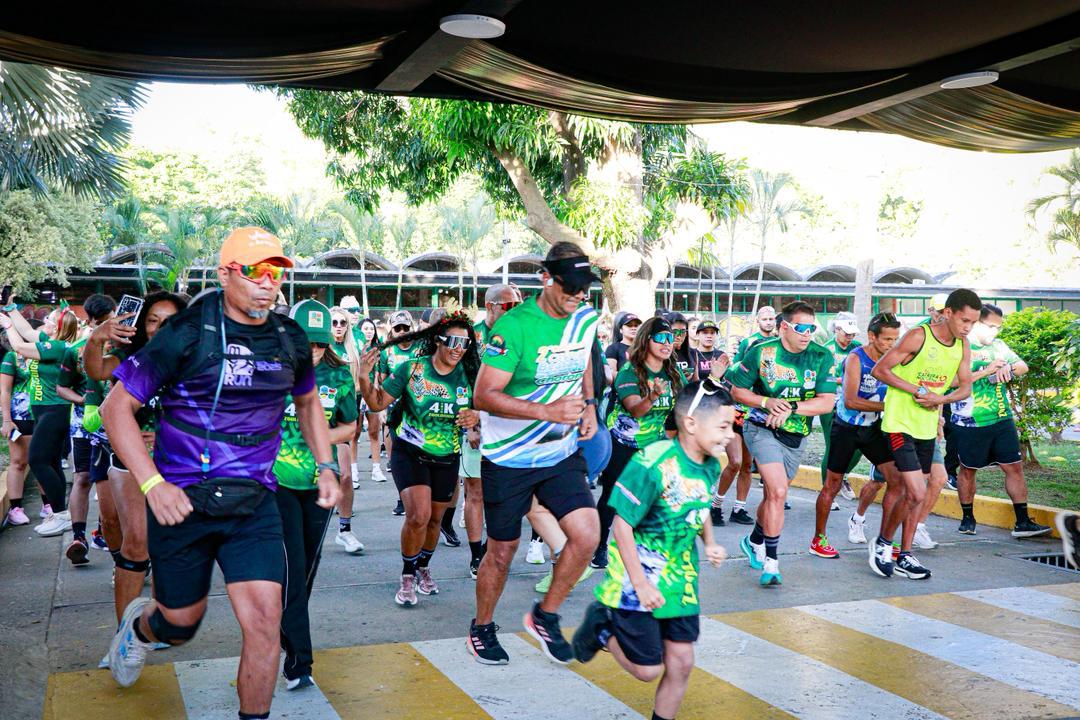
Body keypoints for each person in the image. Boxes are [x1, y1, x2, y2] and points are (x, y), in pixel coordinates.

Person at [101, 227, 340, 720]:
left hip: (253, 506)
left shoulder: (288, 336)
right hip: (182, 503)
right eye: (254, 271)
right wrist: (153, 483)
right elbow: (115, 408)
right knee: (182, 622)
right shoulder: (187, 333)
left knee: (265, 622)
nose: (267, 283)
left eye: (276, 273)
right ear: (225, 274)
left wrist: (325, 465)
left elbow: (308, 401)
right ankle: (140, 629)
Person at [468, 241, 600, 666]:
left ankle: (545, 615)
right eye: (573, 287)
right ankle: (482, 626)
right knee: (502, 552)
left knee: (586, 536)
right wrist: (546, 410)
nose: (580, 296)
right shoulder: (514, 327)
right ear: (548, 279)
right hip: (508, 458)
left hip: (559, 454)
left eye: (586, 289)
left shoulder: (585, 318)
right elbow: (484, 394)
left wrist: (590, 405)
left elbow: (583, 362)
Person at [573, 380, 734, 720]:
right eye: (723, 426)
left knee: (682, 663)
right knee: (647, 670)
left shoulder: (710, 464)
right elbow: (621, 526)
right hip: (639, 577)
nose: (730, 435)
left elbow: (699, 504)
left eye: (731, 426)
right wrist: (641, 584)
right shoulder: (652, 462)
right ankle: (601, 624)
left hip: (681, 578)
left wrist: (710, 542)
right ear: (691, 424)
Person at [84, 291, 188, 660]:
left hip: (177, 461)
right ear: (143, 325)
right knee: (137, 543)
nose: (161, 328)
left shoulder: (194, 361)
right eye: (153, 320)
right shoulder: (133, 357)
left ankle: (155, 624)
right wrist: (96, 338)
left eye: (169, 321)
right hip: (130, 459)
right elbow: (96, 369)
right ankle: (123, 638)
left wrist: (165, 433)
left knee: (167, 544)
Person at [359, 311, 480, 606]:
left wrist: (477, 417)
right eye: (452, 341)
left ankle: (423, 567)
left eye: (464, 343)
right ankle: (407, 576)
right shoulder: (413, 369)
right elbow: (376, 404)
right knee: (418, 515)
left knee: (436, 519)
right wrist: (363, 376)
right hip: (410, 453)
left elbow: (487, 411)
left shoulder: (471, 374)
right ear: (437, 340)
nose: (458, 348)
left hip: (447, 456)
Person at [274, 300, 357, 690]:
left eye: (321, 344)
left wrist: (320, 437)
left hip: (321, 484)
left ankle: (284, 629)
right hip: (275, 483)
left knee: (305, 569)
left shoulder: (339, 378)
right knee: (291, 566)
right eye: (308, 343)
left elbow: (351, 426)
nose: (315, 352)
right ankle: (299, 660)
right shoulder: (271, 370)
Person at [869, 288, 980, 580]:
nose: (967, 327)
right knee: (915, 490)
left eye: (973, 323)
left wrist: (939, 400)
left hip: (927, 427)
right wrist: (918, 390)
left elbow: (965, 387)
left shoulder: (963, 346)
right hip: (898, 424)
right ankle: (882, 544)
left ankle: (905, 555)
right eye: (964, 320)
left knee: (915, 494)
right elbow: (881, 370)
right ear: (948, 314)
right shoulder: (919, 336)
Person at [726, 301, 836, 587]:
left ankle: (754, 540)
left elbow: (826, 402)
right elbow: (737, 390)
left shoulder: (821, 355)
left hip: (795, 434)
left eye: (812, 328)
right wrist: (767, 402)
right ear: (784, 327)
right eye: (802, 328)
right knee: (777, 490)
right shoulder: (762, 352)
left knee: (773, 496)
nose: (808, 333)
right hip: (760, 427)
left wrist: (791, 407)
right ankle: (772, 562)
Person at [593, 316, 687, 569]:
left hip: (653, 447)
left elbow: (689, 402)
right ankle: (599, 547)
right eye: (662, 338)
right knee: (614, 497)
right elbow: (635, 410)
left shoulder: (673, 371)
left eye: (673, 338)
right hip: (622, 443)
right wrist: (654, 395)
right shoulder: (629, 371)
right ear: (647, 340)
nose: (669, 343)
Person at [949, 304, 1050, 538]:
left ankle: (1023, 521)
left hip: (1002, 418)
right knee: (968, 470)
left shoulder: (999, 346)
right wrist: (985, 371)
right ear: (976, 322)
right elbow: (953, 382)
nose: (995, 332)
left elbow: (1023, 366)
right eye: (991, 326)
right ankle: (967, 518)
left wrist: (1008, 370)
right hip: (970, 422)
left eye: (998, 327)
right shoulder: (961, 347)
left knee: (1014, 467)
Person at [813, 312, 901, 556]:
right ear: (872, 337)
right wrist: (888, 407)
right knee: (832, 485)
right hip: (846, 429)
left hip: (873, 429)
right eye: (887, 340)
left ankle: (885, 540)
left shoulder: (894, 359)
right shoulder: (855, 358)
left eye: (895, 339)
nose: (892, 345)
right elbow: (851, 401)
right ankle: (818, 539)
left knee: (897, 480)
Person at [0, 302, 79, 537]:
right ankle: (60, 514)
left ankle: (61, 514)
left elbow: (18, 345)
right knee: (52, 462)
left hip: (54, 410)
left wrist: (6, 324)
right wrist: (11, 308)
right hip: (46, 410)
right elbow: (26, 333)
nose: (46, 322)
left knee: (38, 460)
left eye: (50, 320)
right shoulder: (52, 342)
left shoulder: (57, 347)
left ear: (57, 327)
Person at [462, 284, 520, 578]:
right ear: (490, 306)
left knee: (507, 492)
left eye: (519, 303)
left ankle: (494, 545)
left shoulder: (521, 332)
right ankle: (476, 555)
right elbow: (463, 381)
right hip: (477, 423)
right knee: (475, 490)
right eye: (509, 306)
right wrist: (472, 424)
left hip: (511, 425)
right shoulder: (471, 337)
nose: (516, 309)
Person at [56, 294, 117, 565]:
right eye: (99, 322)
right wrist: (83, 401)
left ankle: (107, 533)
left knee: (116, 485)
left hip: (121, 426)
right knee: (82, 478)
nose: (104, 326)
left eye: (108, 319)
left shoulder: (125, 346)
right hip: (84, 425)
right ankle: (78, 538)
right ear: (89, 321)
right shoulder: (76, 350)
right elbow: (62, 386)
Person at [327, 306, 364, 554]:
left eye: (343, 322)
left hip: (340, 418)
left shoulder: (352, 350)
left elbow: (358, 387)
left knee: (346, 475)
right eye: (334, 322)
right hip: (308, 422)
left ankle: (345, 530)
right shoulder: (318, 348)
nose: (339, 326)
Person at [818, 311, 862, 501]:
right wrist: (846, 379)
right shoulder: (827, 350)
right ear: (836, 329)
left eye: (852, 333)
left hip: (855, 404)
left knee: (860, 446)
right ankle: (827, 493)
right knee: (833, 448)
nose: (849, 337)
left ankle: (842, 475)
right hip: (831, 404)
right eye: (846, 333)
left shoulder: (858, 348)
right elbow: (823, 378)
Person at [381, 309, 418, 513]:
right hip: (396, 409)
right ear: (392, 331)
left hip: (418, 410)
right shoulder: (387, 351)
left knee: (417, 454)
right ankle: (402, 497)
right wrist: (381, 408)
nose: (402, 331)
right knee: (399, 456)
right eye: (398, 328)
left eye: (405, 327)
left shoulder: (422, 348)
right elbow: (381, 380)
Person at [604, 312, 641, 381]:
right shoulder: (613, 348)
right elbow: (611, 373)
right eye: (629, 325)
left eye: (636, 326)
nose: (633, 328)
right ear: (621, 330)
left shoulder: (644, 348)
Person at [665, 312, 693, 378]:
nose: (679, 336)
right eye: (674, 332)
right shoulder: (660, 354)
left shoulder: (693, 353)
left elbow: (696, 381)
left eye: (683, 332)